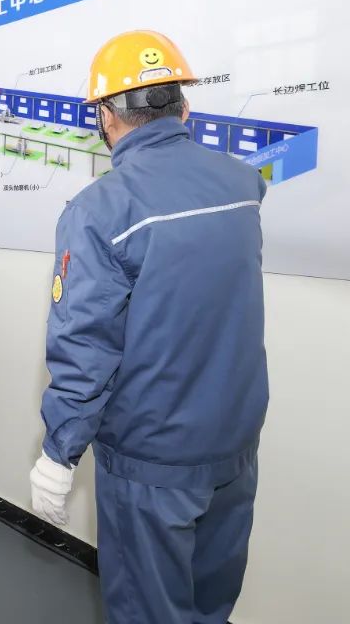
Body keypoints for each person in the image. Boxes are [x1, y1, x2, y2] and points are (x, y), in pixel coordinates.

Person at [29, 31, 268, 624]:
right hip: (234, 444)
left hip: (152, 460)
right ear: (184, 106)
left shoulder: (99, 210)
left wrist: (58, 455)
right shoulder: (242, 184)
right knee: (211, 606)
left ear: (106, 117)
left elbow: (85, 348)